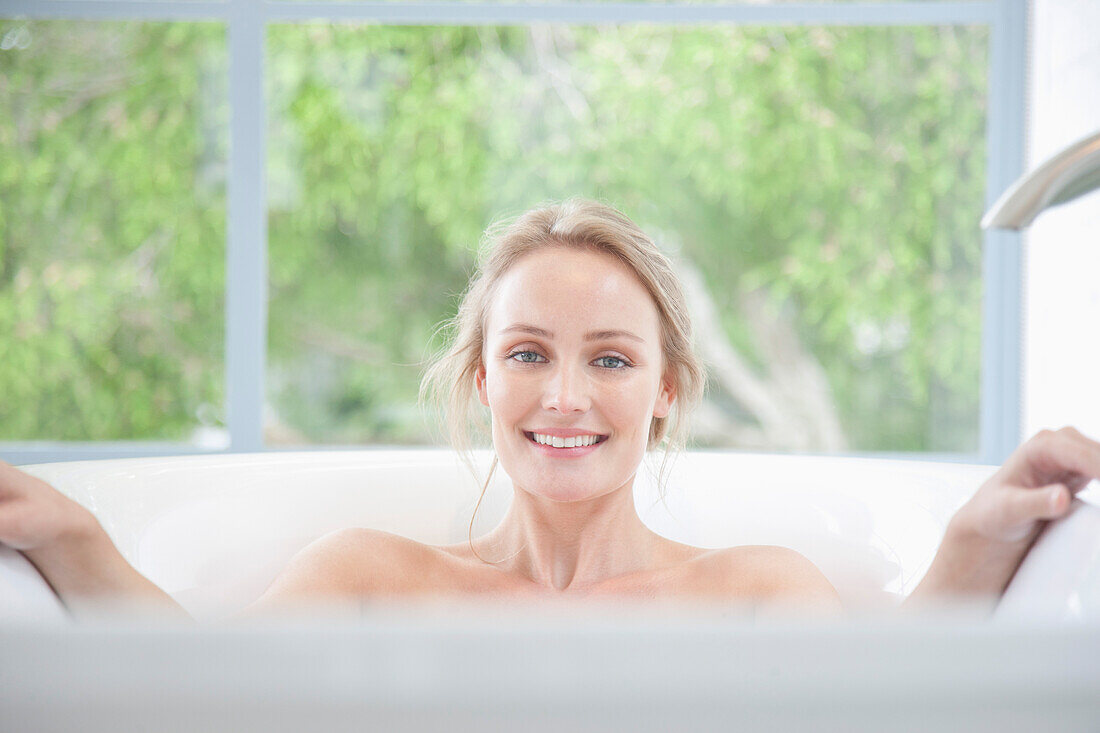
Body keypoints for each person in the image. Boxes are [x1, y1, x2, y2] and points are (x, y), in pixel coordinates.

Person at [1, 197, 1098, 622]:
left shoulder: (754, 590)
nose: (565, 397)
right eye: (526, 353)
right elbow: (193, 702)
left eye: (612, 359)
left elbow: (900, 711)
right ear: (481, 378)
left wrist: (975, 534)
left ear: (665, 390)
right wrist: (66, 531)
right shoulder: (367, 575)